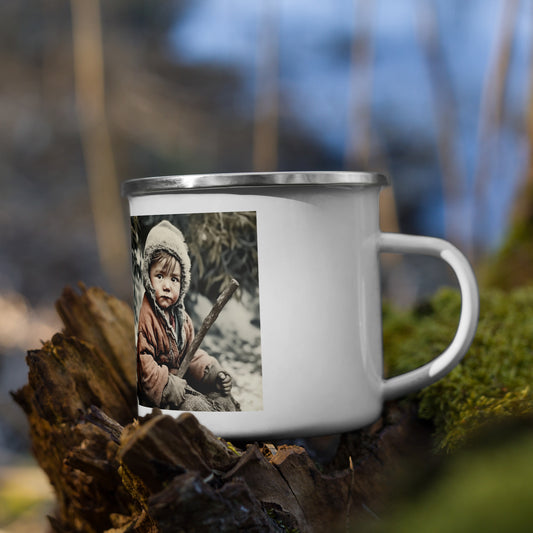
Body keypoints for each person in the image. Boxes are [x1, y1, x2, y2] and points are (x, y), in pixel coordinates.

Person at [136, 220, 233, 410]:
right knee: (196, 407)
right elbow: (143, 362)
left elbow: (190, 355)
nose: (167, 285)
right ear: (148, 277)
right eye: (160, 276)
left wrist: (212, 372)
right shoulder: (145, 318)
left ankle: (235, 433)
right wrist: (166, 384)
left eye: (174, 279)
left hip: (182, 385)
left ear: (182, 284)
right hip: (162, 395)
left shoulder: (183, 320)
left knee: (224, 400)